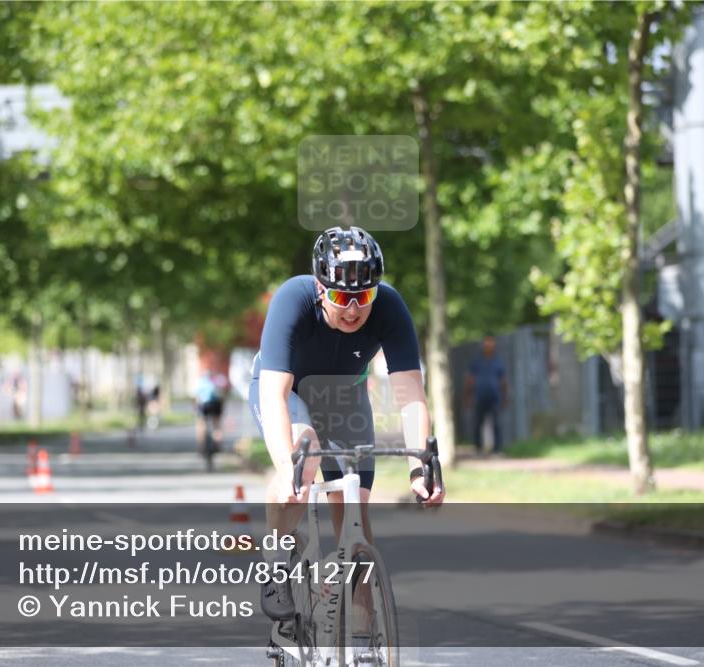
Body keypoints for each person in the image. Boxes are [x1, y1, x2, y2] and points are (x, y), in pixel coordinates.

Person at [248, 225, 445, 620]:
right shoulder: (293, 298)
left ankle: (363, 636)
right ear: (321, 289)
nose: (353, 308)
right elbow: (273, 395)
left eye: (363, 296)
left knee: (354, 510)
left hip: (345, 396)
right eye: (340, 296)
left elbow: (410, 395)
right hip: (289, 393)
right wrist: (288, 468)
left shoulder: (390, 306)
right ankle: (276, 561)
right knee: (303, 458)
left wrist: (419, 468)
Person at [463, 335, 509, 454]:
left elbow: (503, 381)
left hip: (495, 397)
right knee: (478, 423)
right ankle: (478, 448)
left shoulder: (498, 361)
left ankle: (497, 449)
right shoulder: (476, 361)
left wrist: (505, 397)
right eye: (487, 344)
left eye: (491, 344)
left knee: (496, 423)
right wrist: (467, 396)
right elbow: (469, 379)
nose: (489, 346)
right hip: (479, 397)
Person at [195, 369, 228, 452]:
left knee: (201, 424)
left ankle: (201, 446)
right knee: (217, 425)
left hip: (204, 405)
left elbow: (197, 396)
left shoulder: (201, 381)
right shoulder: (220, 379)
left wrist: (196, 408)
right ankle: (218, 445)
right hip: (216, 404)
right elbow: (223, 395)